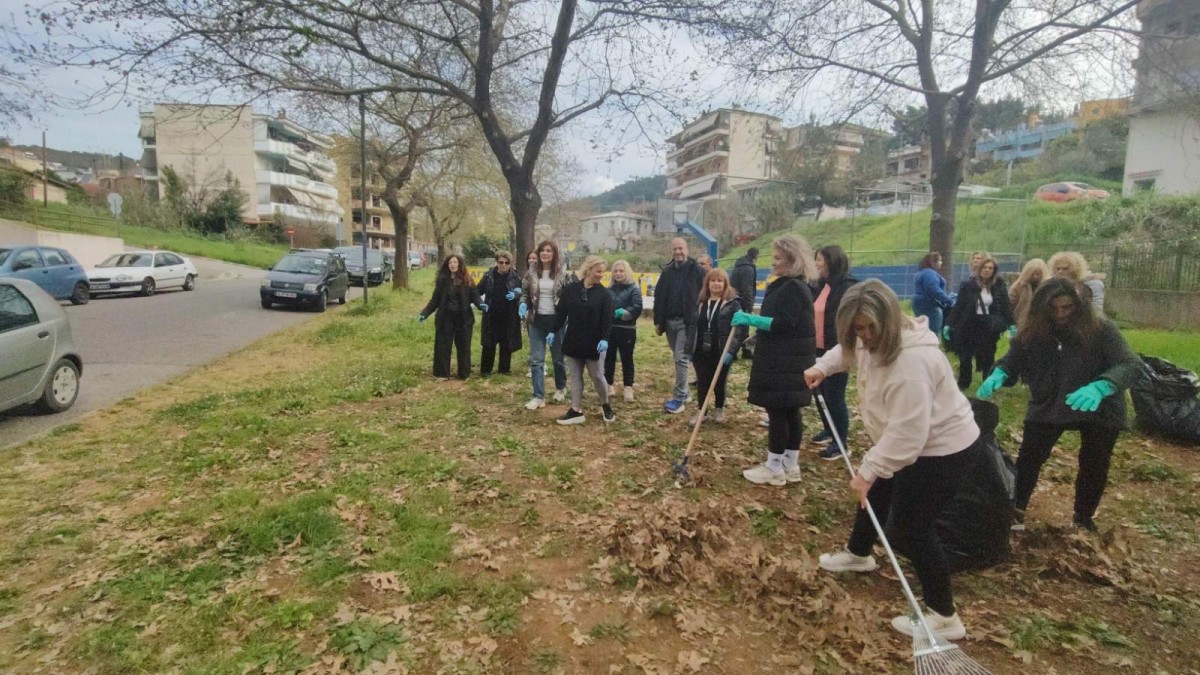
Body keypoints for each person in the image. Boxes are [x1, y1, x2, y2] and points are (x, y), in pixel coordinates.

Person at [807, 279, 982, 642]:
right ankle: (859, 554)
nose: (864, 336)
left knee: (911, 528)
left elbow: (908, 434)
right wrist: (823, 367)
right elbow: (848, 352)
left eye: (869, 328)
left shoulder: (910, 364)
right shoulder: (870, 339)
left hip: (942, 450)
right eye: (857, 329)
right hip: (903, 441)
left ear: (888, 320)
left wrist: (869, 468)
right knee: (875, 493)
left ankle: (944, 615)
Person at [976, 278, 1142, 531]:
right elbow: (1013, 360)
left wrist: (1102, 386)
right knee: (1030, 457)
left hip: (1097, 406)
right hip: (1049, 401)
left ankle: (1083, 517)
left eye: (1067, 308)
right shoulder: (1032, 331)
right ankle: (1016, 509)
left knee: (1095, 463)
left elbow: (1130, 364)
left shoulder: (1101, 329)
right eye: (1053, 309)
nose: (1061, 314)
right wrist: (1000, 373)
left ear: (1079, 306)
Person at [733, 234, 817, 486]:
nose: (773, 262)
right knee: (789, 411)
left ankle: (774, 468)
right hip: (789, 358)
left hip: (785, 361)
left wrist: (752, 319)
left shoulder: (793, 288)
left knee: (779, 411)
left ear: (792, 260)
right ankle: (790, 465)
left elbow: (784, 324)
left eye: (778, 258)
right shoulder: (791, 285)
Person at [548, 256, 615, 425]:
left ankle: (605, 404)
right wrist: (552, 330)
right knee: (575, 375)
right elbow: (561, 313)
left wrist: (605, 339)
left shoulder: (604, 294)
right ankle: (576, 410)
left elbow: (607, 320)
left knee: (597, 375)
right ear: (588, 270)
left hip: (595, 342)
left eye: (603, 272)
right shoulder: (570, 290)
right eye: (598, 271)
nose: (601, 275)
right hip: (574, 338)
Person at [810, 245, 858, 459]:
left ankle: (841, 443)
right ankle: (829, 429)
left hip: (837, 350)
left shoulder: (847, 287)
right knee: (820, 392)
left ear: (832, 261)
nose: (817, 264)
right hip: (819, 347)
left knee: (834, 395)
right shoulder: (822, 285)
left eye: (820, 259)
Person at [945, 256, 1014, 390]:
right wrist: (949, 324)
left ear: (994, 270)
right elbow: (959, 306)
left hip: (988, 326)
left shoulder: (999, 285)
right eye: (985, 267)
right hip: (968, 325)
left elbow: (1006, 306)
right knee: (965, 356)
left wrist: (1012, 324)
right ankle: (964, 383)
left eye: (990, 268)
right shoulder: (968, 285)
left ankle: (986, 382)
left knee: (988, 355)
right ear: (979, 269)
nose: (987, 270)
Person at [653, 237, 706, 414]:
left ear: (687, 249)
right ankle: (686, 392)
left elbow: (705, 293)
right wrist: (658, 321)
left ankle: (679, 397)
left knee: (681, 358)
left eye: (681, 248)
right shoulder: (667, 272)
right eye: (675, 249)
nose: (678, 252)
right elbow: (659, 297)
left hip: (687, 322)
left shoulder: (697, 270)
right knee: (678, 357)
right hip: (669, 322)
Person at [690, 268, 747, 425]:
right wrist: (690, 347)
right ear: (707, 283)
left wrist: (731, 352)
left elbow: (740, 331)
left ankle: (719, 407)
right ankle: (701, 411)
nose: (716, 284)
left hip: (721, 350)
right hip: (701, 350)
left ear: (725, 284)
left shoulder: (733, 304)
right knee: (702, 381)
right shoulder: (700, 302)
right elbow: (693, 326)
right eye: (713, 280)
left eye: (719, 281)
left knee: (719, 381)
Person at [520, 240, 569, 409]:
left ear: (554, 254)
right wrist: (523, 304)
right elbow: (525, 293)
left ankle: (560, 388)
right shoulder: (531, 272)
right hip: (536, 321)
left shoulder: (563, 273)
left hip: (556, 322)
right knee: (536, 360)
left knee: (558, 359)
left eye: (549, 251)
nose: (545, 253)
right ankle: (538, 396)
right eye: (542, 250)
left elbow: (567, 298)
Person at [420, 254, 486, 379]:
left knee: (464, 346)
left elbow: (475, 296)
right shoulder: (442, 280)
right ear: (447, 265)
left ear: (459, 264)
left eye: (455, 262)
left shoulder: (467, 279)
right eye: (450, 262)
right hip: (445, 318)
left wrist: (481, 305)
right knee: (442, 346)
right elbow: (435, 300)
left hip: (463, 318)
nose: (453, 264)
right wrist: (425, 313)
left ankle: (464, 374)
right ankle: (442, 373)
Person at [605, 259, 643, 403]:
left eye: (621, 271)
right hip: (611, 328)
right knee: (609, 358)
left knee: (627, 358)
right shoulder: (608, 290)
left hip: (627, 329)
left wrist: (626, 313)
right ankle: (608, 384)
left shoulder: (634, 289)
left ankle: (628, 386)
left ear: (627, 272)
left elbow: (637, 306)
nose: (618, 274)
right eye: (615, 271)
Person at [911, 252, 955, 335]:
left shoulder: (921, 272)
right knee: (933, 329)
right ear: (934, 262)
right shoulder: (929, 273)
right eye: (940, 260)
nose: (941, 263)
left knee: (923, 329)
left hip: (919, 303)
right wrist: (948, 301)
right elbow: (934, 289)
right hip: (930, 304)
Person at [730, 247, 759, 360]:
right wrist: (750, 306)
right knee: (744, 328)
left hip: (734, 299)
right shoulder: (748, 268)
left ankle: (733, 352)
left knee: (736, 328)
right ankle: (745, 351)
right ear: (755, 256)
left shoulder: (738, 265)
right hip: (742, 301)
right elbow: (748, 289)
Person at [1009, 258, 1050, 331]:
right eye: (1032, 274)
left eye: (1037, 274)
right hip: (1020, 321)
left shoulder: (1048, 287)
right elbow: (1011, 303)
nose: (1035, 277)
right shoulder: (1017, 286)